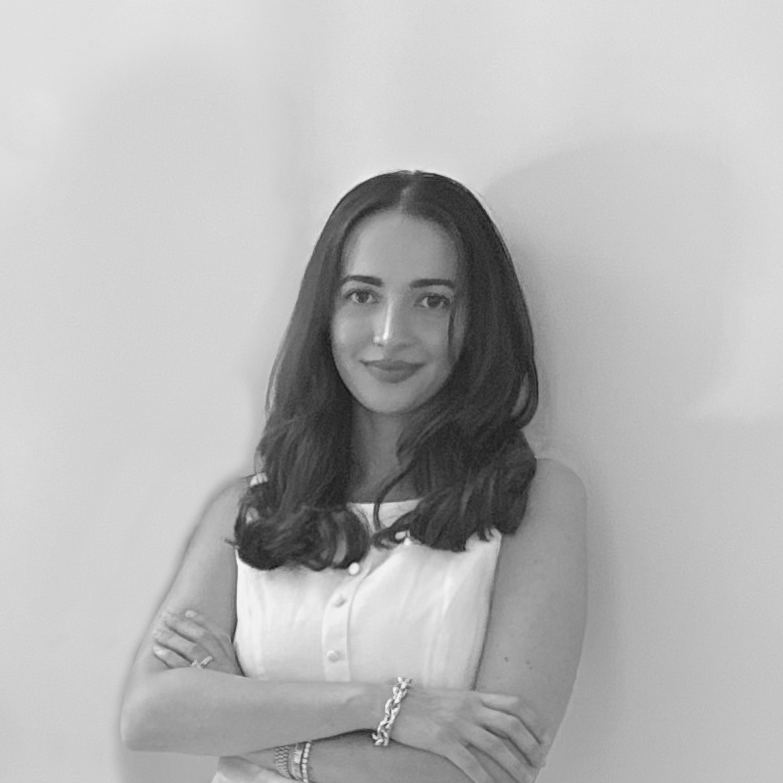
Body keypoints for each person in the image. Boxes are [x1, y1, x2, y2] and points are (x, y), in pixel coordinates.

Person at [120, 170, 587, 783]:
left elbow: (491, 766)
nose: (391, 335)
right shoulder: (253, 509)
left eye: (432, 300)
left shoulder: (534, 499)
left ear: (478, 322)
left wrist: (250, 727)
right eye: (362, 295)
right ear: (326, 313)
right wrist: (389, 709)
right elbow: (152, 715)